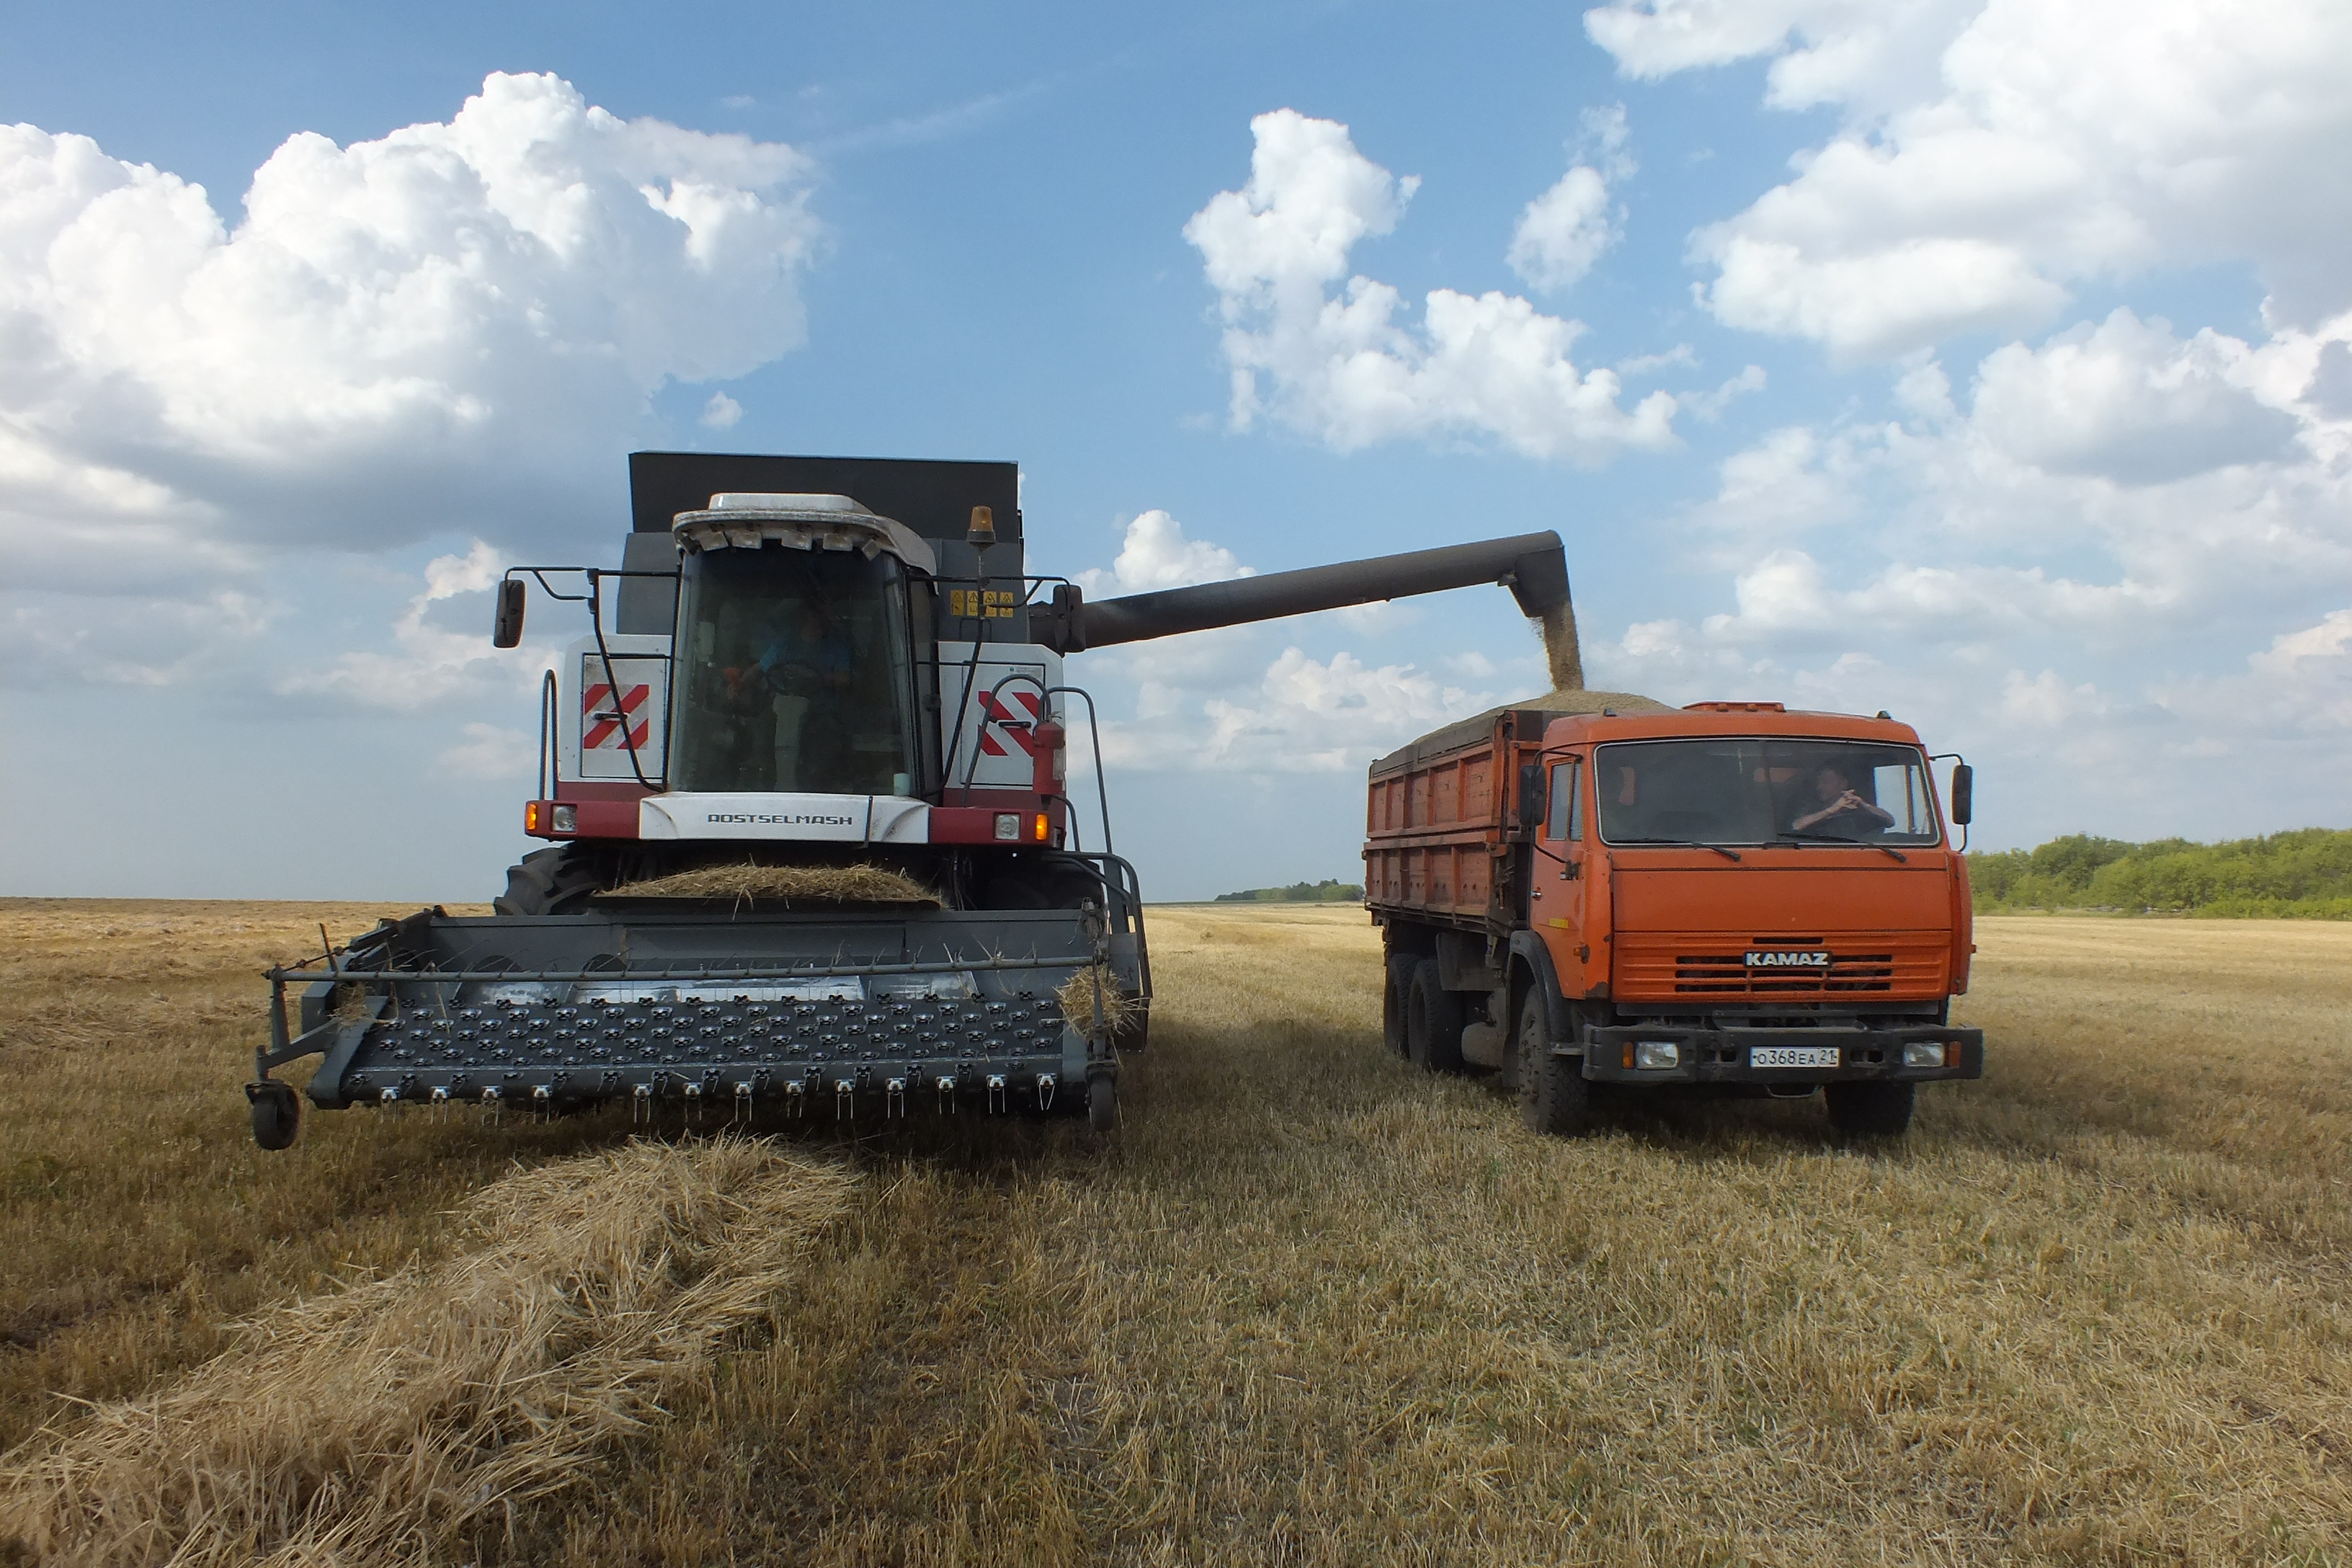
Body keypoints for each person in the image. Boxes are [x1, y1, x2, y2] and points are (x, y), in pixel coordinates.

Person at [1791, 762, 1894, 838]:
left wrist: (1864, 804)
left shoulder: (1858, 810)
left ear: (1843, 784)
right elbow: (1796, 826)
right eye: (1818, 783)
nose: (1819, 787)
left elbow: (1890, 822)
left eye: (1825, 782)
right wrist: (1831, 810)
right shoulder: (1812, 807)